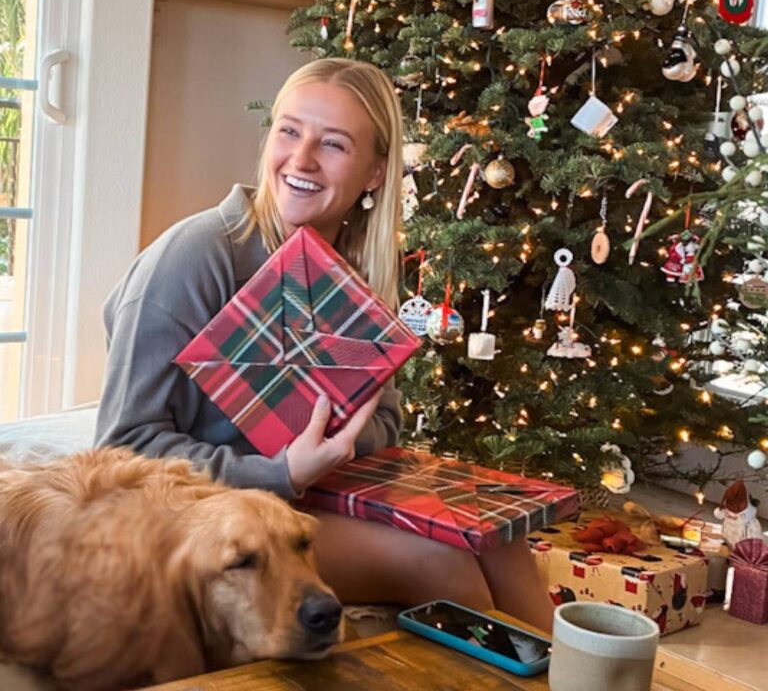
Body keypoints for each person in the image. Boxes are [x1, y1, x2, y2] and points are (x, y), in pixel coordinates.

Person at [96, 58, 554, 632]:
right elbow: (122, 451)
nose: (302, 159)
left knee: (497, 540)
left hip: (304, 496)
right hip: (198, 511)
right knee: (438, 562)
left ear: (375, 174)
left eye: (333, 144)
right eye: (289, 130)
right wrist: (284, 470)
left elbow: (385, 422)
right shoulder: (198, 255)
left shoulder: (348, 276)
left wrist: (333, 442)